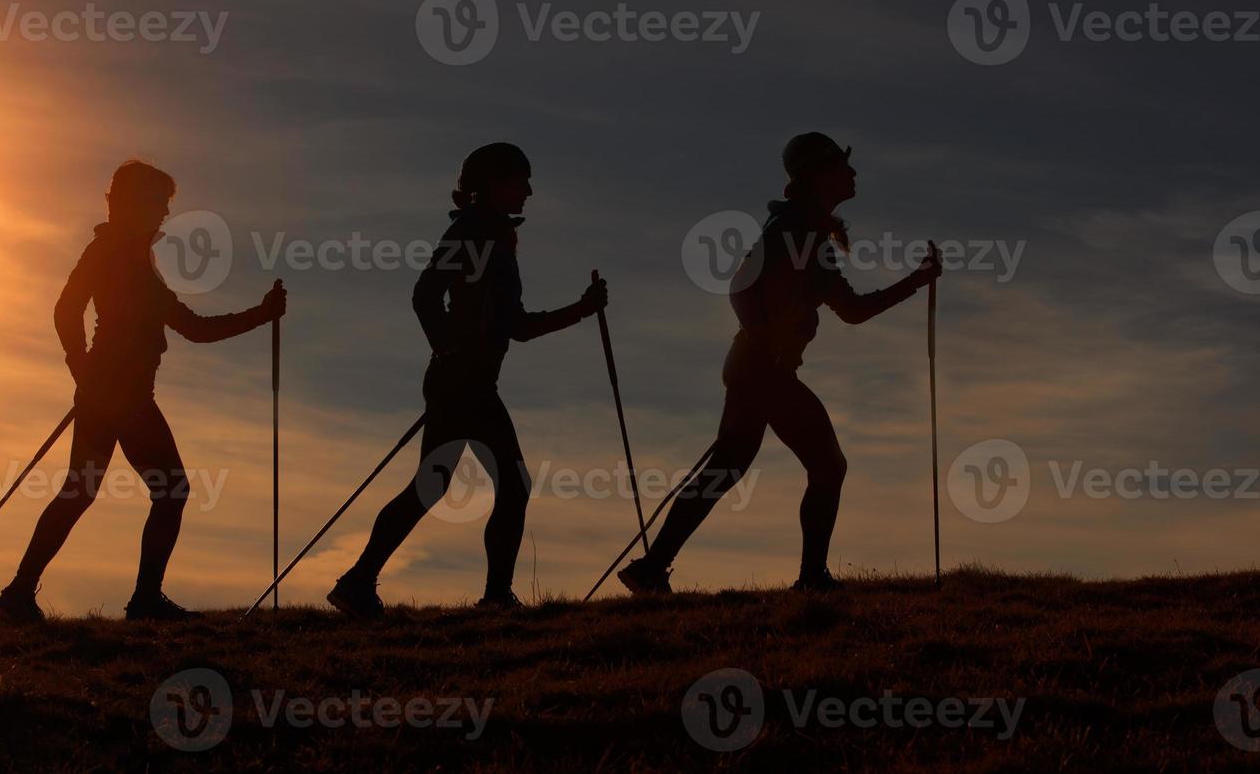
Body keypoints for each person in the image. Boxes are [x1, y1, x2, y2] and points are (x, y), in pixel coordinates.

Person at [618, 133, 941, 595]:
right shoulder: (796, 228)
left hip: (756, 367)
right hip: (762, 370)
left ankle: (652, 568)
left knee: (727, 469)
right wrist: (764, 336)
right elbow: (740, 287)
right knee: (827, 466)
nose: (853, 174)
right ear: (815, 176)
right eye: (841, 167)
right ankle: (811, 579)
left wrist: (916, 280)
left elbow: (851, 310)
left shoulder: (805, 229)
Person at [0, 160, 285, 623]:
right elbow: (68, 310)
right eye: (160, 203)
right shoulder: (110, 250)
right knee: (169, 490)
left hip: (109, 393)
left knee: (81, 490)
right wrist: (82, 367)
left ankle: (19, 594)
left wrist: (260, 314)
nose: (166, 213)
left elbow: (192, 328)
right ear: (135, 203)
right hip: (123, 395)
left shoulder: (130, 257)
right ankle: (142, 600)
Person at [326, 142, 608, 617]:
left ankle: (358, 582)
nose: (530, 191)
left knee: (433, 485)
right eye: (520, 180)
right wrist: (448, 348)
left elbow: (514, 327)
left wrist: (580, 310)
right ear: (493, 185)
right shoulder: (473, 233)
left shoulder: (494, 235)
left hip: (468, 380)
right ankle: (493, 596)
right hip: (462, 382)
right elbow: (425, 294)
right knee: (507, 484)